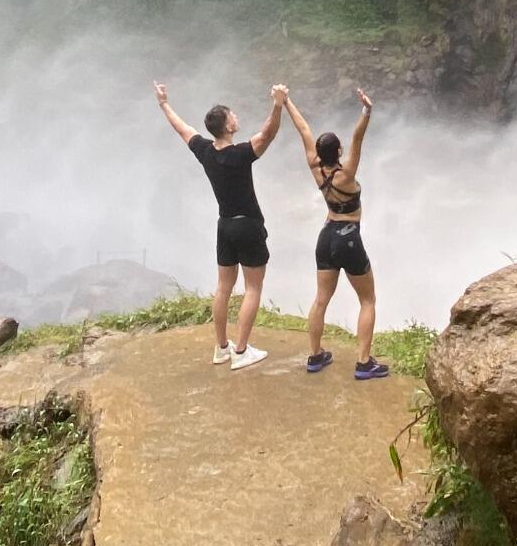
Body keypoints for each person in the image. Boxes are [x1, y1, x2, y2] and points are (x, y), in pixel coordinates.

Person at [154, 80, 284, 371]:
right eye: (232, 115)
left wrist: (164, 103)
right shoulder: (240, 154)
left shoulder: (205, 151)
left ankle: (222, 347)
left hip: (224, 226)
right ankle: (241, 351)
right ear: (227, 126)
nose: (236, 116)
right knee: (253, 288)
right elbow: (268, 133)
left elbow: (182, 128)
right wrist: (278, 105)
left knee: (224, 287)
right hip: (247, 226)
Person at [280, 86, 387, 379]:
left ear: (319, 152)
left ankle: (315, 355)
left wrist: (286, 102)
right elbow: (358, 137)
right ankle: (364, 363)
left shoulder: (315, 169)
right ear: (338, 152)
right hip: (348, 237)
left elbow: (303, 130)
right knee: (368, 300)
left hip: (326, 237)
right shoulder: (346, 173)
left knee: (320, 300)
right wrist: (367, 110)